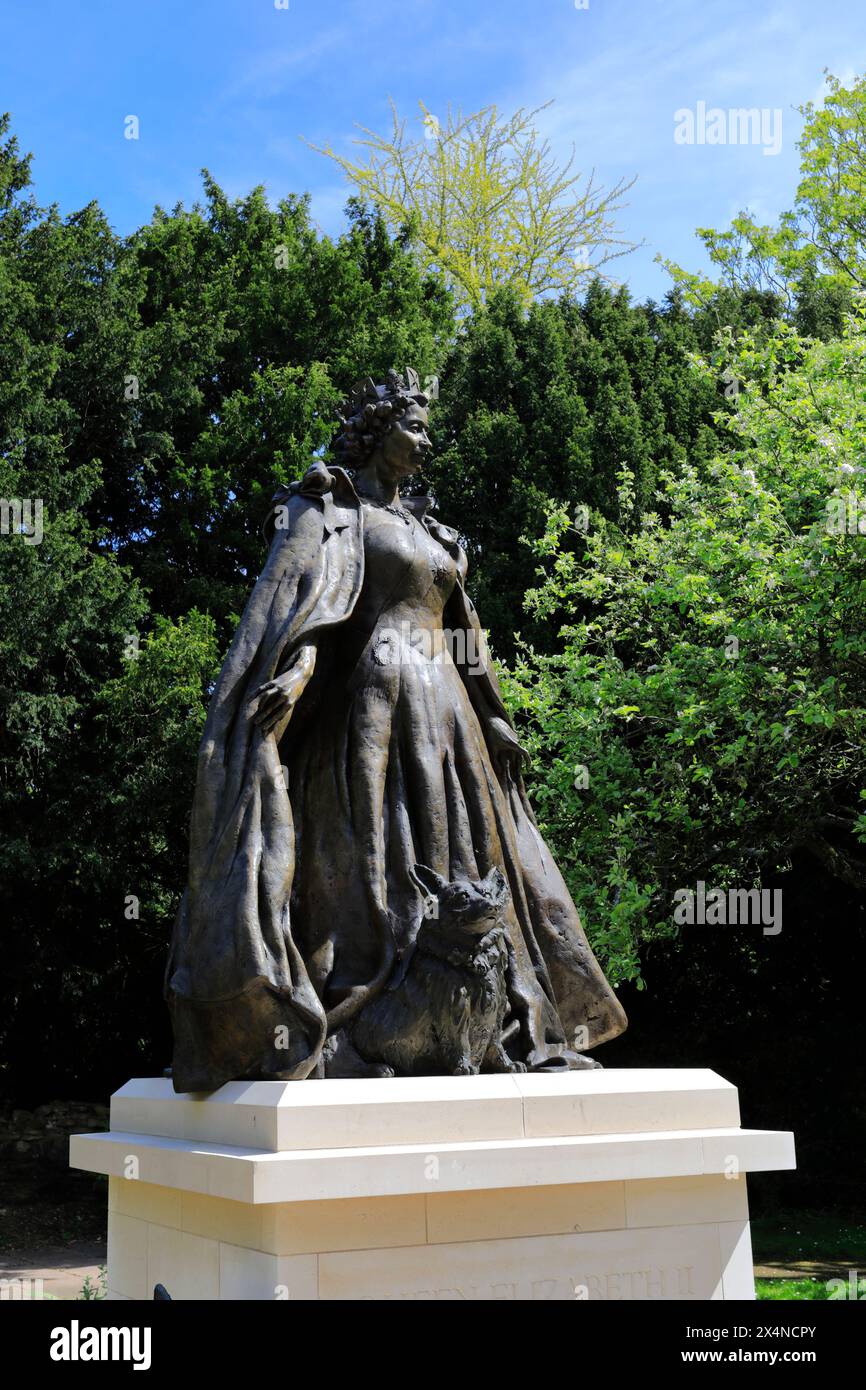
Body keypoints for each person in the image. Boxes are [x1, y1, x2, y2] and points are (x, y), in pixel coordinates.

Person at [165, 369, 626, 1091]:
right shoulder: (334, 509)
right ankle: (377, 1002)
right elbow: (314, 601)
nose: (426, 441)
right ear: (378, 432)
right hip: (374, 698)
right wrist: (296, 670)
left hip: (448, 707)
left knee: (466, 846)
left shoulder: (427, 527)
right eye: (413, 426)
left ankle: (473, 1011)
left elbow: (464, 628)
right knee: (377, 845)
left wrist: (496, 716)